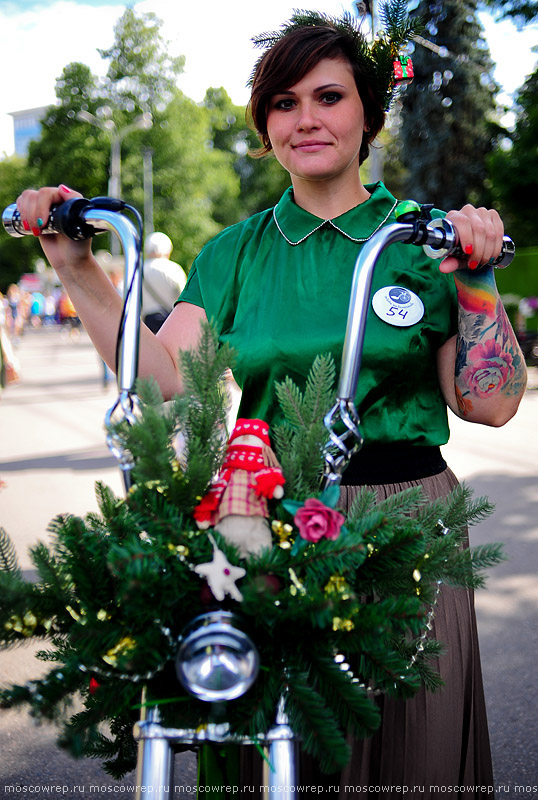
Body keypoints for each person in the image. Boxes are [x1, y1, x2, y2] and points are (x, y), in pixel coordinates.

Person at [15, 5, 526, 797]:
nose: (306, 119)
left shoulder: (423, 240)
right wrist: (79, 268)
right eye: (284, 104)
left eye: (328, 97)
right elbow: (158, 380)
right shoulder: (235, 251)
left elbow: (489, 407)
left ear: (368, 114)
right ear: (265, 127)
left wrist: (477, 278)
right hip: (265, 523)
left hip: (410, 519)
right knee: (279, 748)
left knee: (411, 752)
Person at [141, 231, 187, 333]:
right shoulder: (174, 268)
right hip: (170, 322)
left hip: (146, 325)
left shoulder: (138, 270)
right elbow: (184, 296)